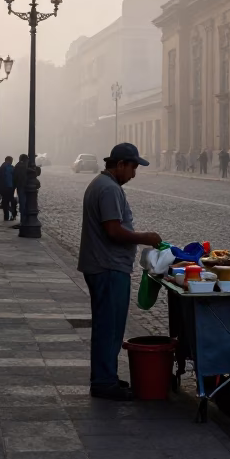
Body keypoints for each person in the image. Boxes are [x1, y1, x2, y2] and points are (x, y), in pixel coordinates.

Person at [77, 142, 161, 401]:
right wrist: (145, 237)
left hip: (104, 266)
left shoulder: (102, 185)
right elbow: (113, 230)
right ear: (120, 164)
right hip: (108, 267)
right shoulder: (109, 189)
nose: (134, 174)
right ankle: (103, 382)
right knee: (108, 328)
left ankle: (107, 376)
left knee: (109, 326)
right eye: (133, 168)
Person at [0, 155, 17, 221]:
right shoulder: (12, 168)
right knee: (11, 200)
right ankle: (13, 214)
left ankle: (6, 216)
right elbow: (15, 178)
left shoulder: (2, 168)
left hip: (3, 187)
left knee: (5, 201)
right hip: (11, 187)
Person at [12, 154, 29, 225]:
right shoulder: (26, 166)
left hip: (20, 186)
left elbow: (15, 177)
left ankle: (23, 219)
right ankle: (25, 219)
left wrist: (14, 186)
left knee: (23, 203)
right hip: (26, 186)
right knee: (26, 203)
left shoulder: (18, 166)